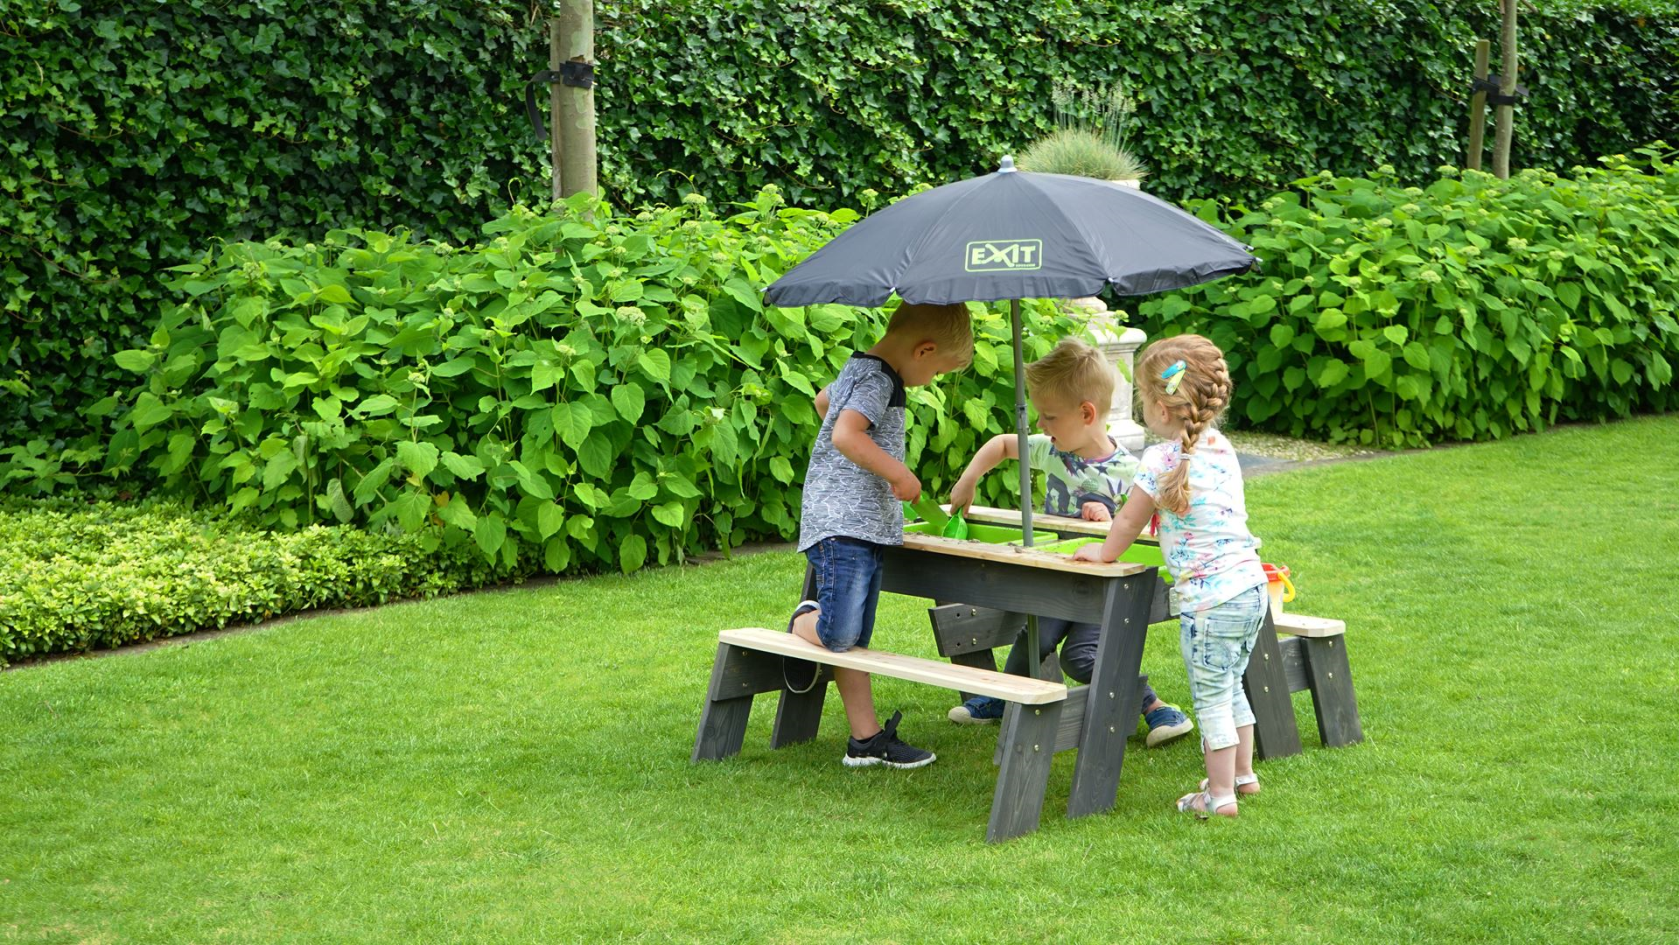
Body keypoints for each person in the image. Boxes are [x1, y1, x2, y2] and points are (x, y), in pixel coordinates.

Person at [944, 337, 1194, 747]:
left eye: (1049, 417)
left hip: (1103, 590)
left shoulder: (1132, 472)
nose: (1041, 426)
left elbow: (1143, 528)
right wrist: (968, 479)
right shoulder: (1052, 451)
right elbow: (1003, 445)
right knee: (1035, 633)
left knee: (1081, 657)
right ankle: (1004, 695)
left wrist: (1109, 521)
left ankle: (1155, 707)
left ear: (1086, 413)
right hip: (1058, 577)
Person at [1073, 333, 1268, 819]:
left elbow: (1127, 522)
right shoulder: (1221, 448)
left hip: (1209, 604)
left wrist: (1102, 553)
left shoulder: (1161, 460)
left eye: (1142, 398)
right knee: (1231, 683)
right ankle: (1242, 776)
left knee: (1211, 699)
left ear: (1161, 406)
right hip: (1251, 589)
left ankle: (1218, 796)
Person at [787, 301, 974, 769]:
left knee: (854, 638)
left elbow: (824, 402)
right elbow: (846, 436)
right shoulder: (880, 379)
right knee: (839, 632)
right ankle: (804, 620)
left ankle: (865, 740)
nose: (928, 382)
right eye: (935, 372)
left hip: (859, 522)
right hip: (843, 523)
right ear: (924, 349)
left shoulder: (860, 366)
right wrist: (898, 474)